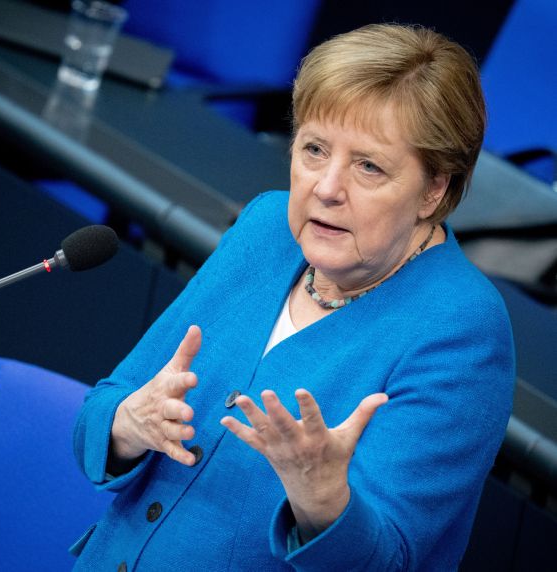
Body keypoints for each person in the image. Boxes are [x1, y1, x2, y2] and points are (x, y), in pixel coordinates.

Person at [71, 24, 514, 571]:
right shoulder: (265, 229)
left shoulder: (462, 331)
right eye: (314, 149)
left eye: (368, 166)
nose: (326, 187)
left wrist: (323, 502)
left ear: (434, 189)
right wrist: (128, 424)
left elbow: (389, 562)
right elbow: (101, 410)